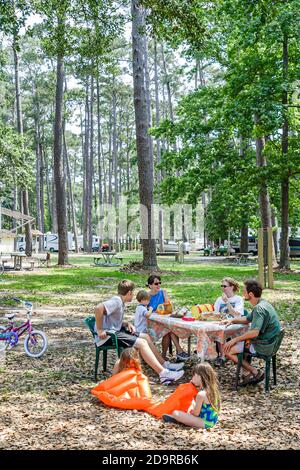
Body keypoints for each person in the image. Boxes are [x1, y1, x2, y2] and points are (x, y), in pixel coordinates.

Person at [94, 280, 184, 384]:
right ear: (129, 293)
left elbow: (110, 318)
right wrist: (100, 330)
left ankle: (164, 364)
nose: (133, 296)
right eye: (133, 292)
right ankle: (163, 374)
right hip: (108, 336)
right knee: (142, 343)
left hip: (115, 330)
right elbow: (98, 308)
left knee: (145, 336)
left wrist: (125, 323)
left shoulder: (120, 301)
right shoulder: (116, 301)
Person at [223, 279, 281, 386]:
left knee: (227, 350)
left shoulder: (259, 309)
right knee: (241, 342)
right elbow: (247, 319)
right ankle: (248, 373)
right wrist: (232, 320)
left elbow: (254, 333)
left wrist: (234, 340)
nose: (242, 293)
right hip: (271, 343)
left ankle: (255, 371)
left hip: (264, 345)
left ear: (250, 294)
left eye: (244, 291)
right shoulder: (264, 303)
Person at [162, 362, 220, 430]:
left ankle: (180, 420)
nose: (192, 378)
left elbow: (196, 414)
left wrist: (191, 412)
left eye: (194, 375)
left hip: (204, 423)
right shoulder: (213, 391)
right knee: (190, 406)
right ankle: (184, 420)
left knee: (176, 413)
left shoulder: (201, 394)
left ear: (200, 377)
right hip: (212, 421)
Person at [147, 275, 189, 361]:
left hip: (164, 320)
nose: (158, 285)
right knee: (169, 329)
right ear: (150, 285)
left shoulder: (163, 292)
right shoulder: (147, 296)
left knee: (169, 330)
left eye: (160, 283)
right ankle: (179, 351)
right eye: (156, 283)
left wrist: (165, 301)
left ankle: (169, 354)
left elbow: (168, 308)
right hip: (152, 322)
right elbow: (146, 312)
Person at [214, 277, 245, 367]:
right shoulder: (219, 299)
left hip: (235, 323)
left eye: (225, 286)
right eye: (221, 286)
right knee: (216, 329)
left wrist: (227, 302)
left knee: (221, 331)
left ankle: (223, 356)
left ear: (232, 287)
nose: (223, 288)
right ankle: (218, 354)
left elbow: (235, 314)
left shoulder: (238, 299)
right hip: (222, 322)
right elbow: (216, 314)